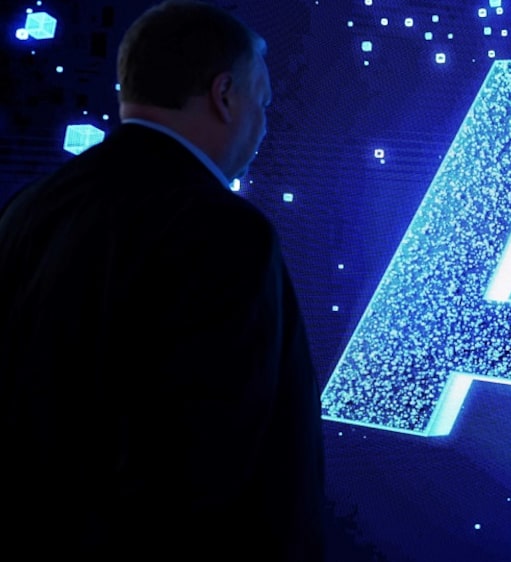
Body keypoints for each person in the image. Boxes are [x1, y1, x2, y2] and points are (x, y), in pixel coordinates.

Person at [0, 1, 324, 559]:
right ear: (224, 95)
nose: (264, 126)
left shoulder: (29, 207)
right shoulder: (225, 230)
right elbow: (210, 464)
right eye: (262, 103)